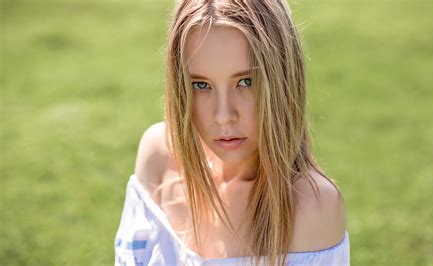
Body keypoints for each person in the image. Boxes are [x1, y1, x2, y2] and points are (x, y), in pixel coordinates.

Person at [115, 0, 350, 265]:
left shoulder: (310, 206)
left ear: (283, 80)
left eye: (246, 82)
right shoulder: (158, 155)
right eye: (201, 85)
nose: (224, 115)